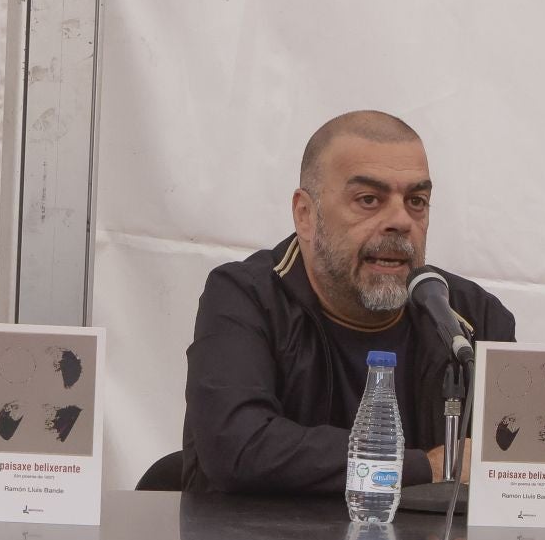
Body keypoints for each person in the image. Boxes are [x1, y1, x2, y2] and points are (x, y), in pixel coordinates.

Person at [181, 110, 513, 493]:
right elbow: (238, 446)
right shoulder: (247, 298)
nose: (401, 220)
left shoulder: (470, 319)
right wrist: (429, 467)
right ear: (305, 215)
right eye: (369, 199)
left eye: (417, 201)